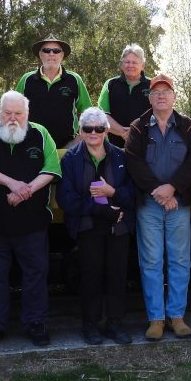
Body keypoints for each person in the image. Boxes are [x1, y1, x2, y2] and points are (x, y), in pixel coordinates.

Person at [0, 91, 61, 348]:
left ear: (27, 115)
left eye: (18, 114)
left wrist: (25, 192)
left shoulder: (41, 134)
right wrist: (12, 183)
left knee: (35, 275)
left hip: (33, 224)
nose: (12, 119)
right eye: (7, 113)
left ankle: (35, 323)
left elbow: (52, 169)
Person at [124, 74, 191, 341]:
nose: (161, 96)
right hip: (149, 204)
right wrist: (157, 191)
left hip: (178, 204)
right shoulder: (138, 127)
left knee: (180, 260)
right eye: (156, 92)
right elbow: (133, 161)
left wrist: (173, 188)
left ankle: (177, 316)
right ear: (150, 98)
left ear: (174, 96)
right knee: (151, 261)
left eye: (165, 91)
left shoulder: (187, 126)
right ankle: (156, 319)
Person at [56, 107, 135, 345]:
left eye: (99, 128)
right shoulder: (70, 159)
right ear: (80, 131)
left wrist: (113, 193)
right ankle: (90, 325)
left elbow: (133, 193)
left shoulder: (121, 156)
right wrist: (98, 208)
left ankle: (114, 324)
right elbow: (65, 198)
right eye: (88, 128)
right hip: (87, 227)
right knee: (90, 277)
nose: (93, 133)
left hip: (118, 227)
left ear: (106, 130)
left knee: (117, 276)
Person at [15, 34, 92, 148]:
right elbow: (14, 110)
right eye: (46, 50)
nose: (51, 54)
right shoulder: (26, 80)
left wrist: (78, 139)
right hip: (32, 147)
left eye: (56, 51)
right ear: (40, 54)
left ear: (62, 55)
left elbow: (88, 113)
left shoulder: (74, 80)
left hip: (68, 148)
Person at [97, 44, 151, 147]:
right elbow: (102, 115)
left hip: (146, 147)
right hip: (113, 148)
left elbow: (158, 114)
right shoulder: (110, 84)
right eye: (127, 62)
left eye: (134, 62)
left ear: (143, 65)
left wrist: (136, 132)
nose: (130, 65)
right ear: (122, 64)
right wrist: (123, 132)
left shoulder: (153, 85)